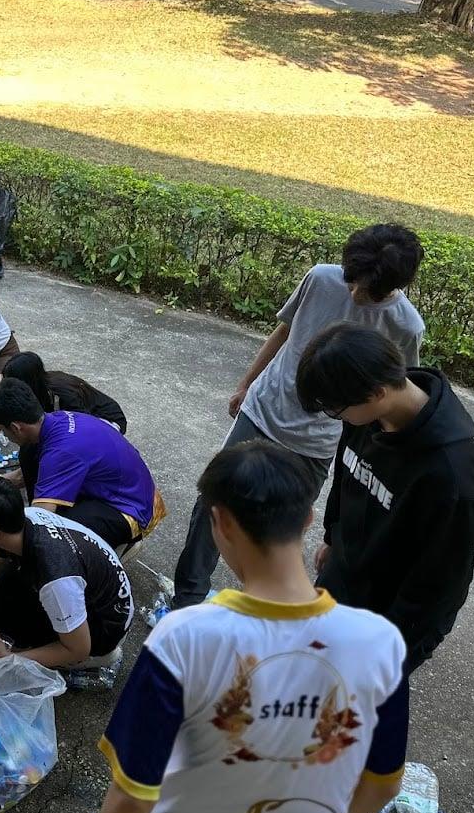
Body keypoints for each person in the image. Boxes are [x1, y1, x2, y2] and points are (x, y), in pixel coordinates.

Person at [77, 440, 409, 813]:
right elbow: (382, 785)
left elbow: (133, 794)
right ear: (308, 517)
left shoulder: (184, 637)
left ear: (220, 523)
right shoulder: (381, 643)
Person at [171, 223, 426, 608]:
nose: (355, 293)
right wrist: (246, 384)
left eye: (367, 291)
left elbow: (391, 392)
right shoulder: (321, 279)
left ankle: (261, 606)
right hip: (263, 411)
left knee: (280, 529)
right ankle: (187, 598)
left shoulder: (405, 326)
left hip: (319, 441)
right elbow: (284, 332)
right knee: (214, 503)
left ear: (394, 285)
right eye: (352, 281)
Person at [296, 321, 474, 677]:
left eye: (335, 410)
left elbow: (441, 588)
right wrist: (332, 535)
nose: (335, 418)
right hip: (342, 578)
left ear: (376, 393)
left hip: (388, 620)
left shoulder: (452, 476)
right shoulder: (366, 415)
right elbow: (347, 474)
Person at [0, 379, 162, 551]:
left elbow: (39, 521)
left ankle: (111, 552)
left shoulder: (60, 452)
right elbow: (18, 478)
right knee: (29, 454)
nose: (5, 436)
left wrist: (0, 542)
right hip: (121, 488)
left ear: (16, 427)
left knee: (55, 538)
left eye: (4, 431)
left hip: (132, 509)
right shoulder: (56, 421)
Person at [0, 476, 134, 668]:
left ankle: (98, 659)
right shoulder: (25, 519)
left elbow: (77, 649)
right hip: (96, 587)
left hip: (103, 629)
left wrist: (9, 658)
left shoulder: (55, 577)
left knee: (2, 626)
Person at [0, 351, 127, 484]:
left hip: (105, 423)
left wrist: (18, 477)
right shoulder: (30, 393)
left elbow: (81, 436)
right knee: (32, 451)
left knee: (50, 455)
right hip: (66, 423)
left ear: (27, 384)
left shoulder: (63, 398)